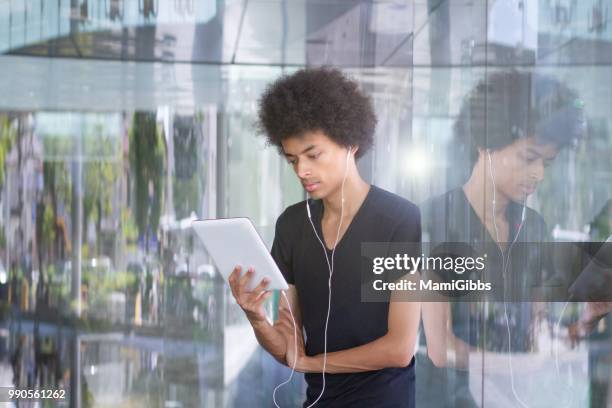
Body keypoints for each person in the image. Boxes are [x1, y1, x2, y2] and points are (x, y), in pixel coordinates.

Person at [227, 67, 421, 407]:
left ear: (350, 142)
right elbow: (288, 346)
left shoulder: (399, 220)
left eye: (313, 155)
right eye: (292, 160)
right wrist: (256, 317)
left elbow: (401, 348)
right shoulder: (292, 226)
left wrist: (314, 364)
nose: (302, 171)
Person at [418, 69, 586, 407]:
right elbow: (440, 348)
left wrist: (582, 325)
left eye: (547, 164)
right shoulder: (433, 222)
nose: (538, 173)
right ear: (485, 144)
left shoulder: (533, 226)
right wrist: (521, 365)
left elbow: (537, 330)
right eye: (528, 157)